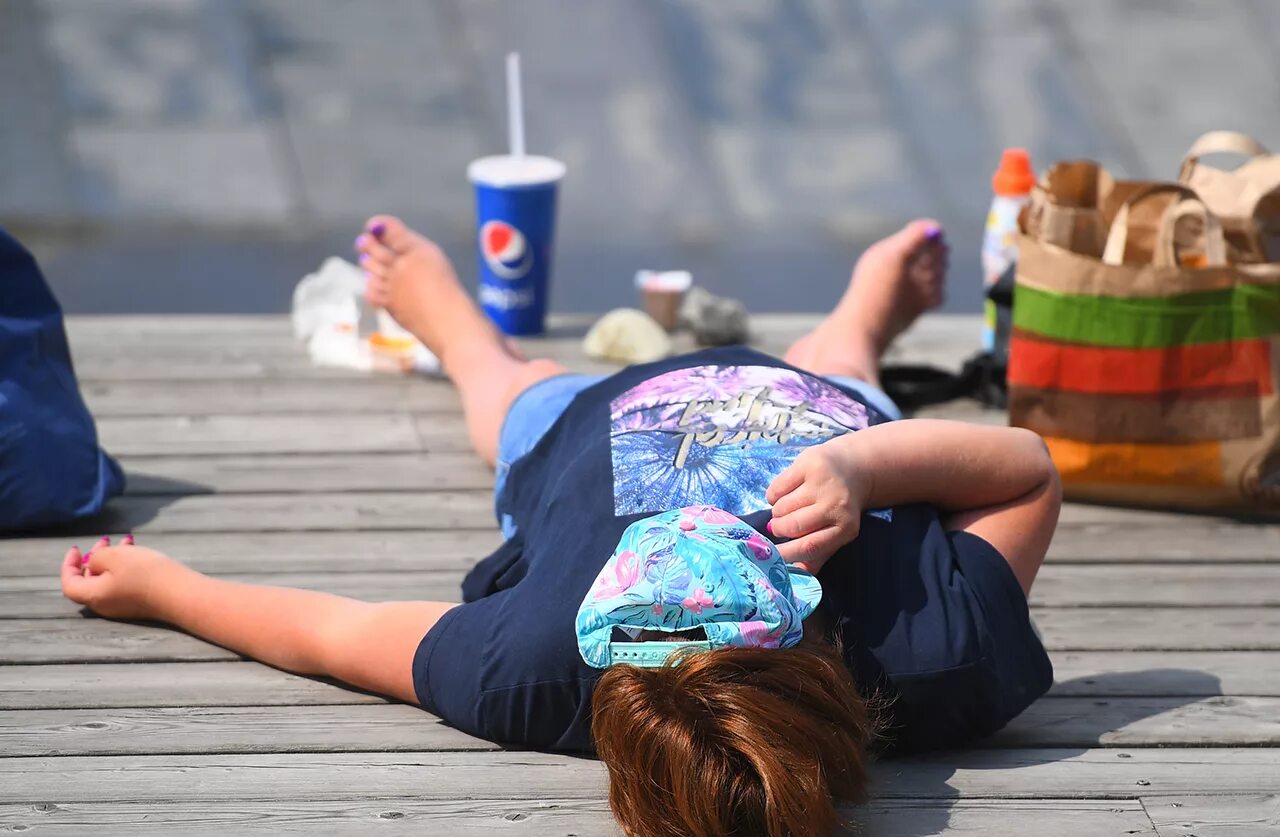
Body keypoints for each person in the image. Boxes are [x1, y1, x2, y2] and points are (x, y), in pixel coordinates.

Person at [59, 215, 1060, 837]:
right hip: (814, 412)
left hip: (607, 418)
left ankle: (453, 326)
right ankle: (860, 319)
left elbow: (334, 635)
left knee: (511, 397)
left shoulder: (534, 665)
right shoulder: (935, 657)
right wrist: (858, 459)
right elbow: (1024, 473)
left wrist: (169, 591)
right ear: (835, 670)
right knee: (844, 370)